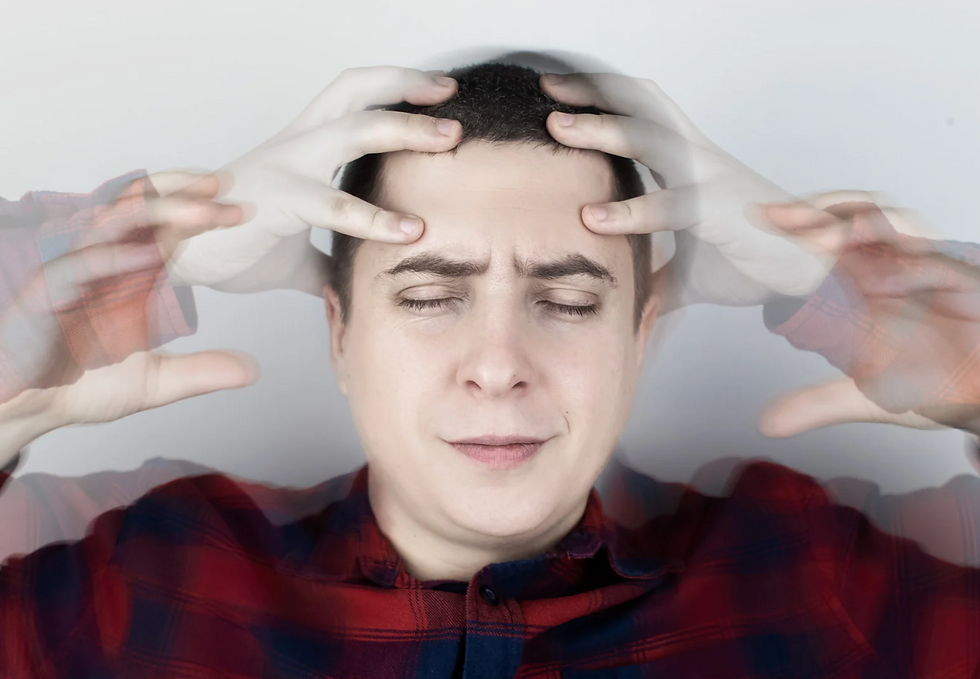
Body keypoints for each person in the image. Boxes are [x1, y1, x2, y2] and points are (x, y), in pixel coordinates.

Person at [1, 53, 980, 677]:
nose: (499, 365)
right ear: (339, 333)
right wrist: (139, 253)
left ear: (639, 334)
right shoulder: (143, 574)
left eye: (569, 301)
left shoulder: (820, 574)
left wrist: (873, 293)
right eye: (431, 296)